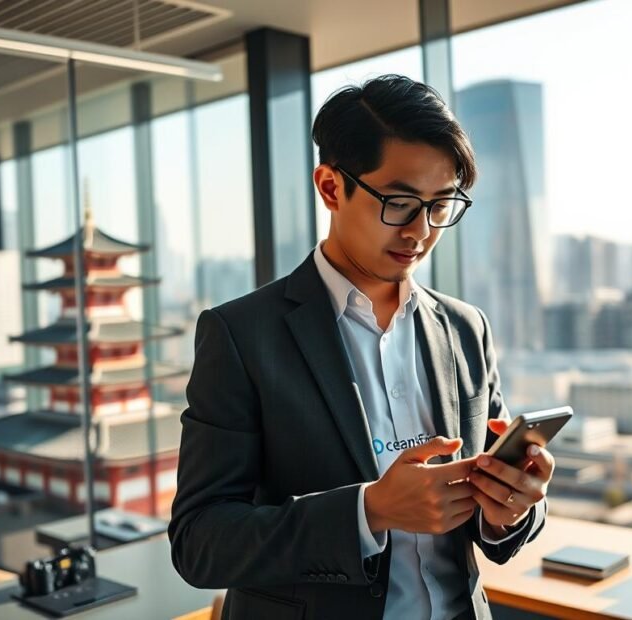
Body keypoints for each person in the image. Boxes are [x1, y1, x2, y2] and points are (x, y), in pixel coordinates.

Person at [169, 74, 555, 620]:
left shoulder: (467, 329)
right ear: (331, 187)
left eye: (441, 204)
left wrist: (511, 506)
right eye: (399, 202)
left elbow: (498, 523)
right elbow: (199, 542)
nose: (421, 231)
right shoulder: (242, 335)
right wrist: (368, 511)